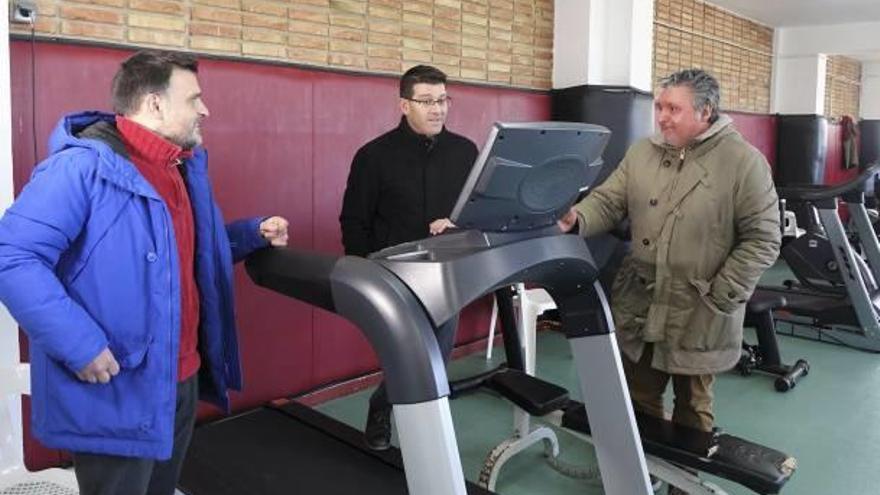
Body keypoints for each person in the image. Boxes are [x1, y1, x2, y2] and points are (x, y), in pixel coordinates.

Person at [0, 50, 288, 495]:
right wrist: (79, 344)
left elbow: (184, 256)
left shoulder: (181, 168)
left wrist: (251, 234)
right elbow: (12, 257)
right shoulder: (80, 167)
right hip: (115, 388)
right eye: (194, 99)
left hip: (181, 379)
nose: (205, 109)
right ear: (154, 104)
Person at [559, 69, 780, 490]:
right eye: (659, 106)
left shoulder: (744, 162)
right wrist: (578, 217)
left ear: (705, 111)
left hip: (701, 307)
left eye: (673, 109)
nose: (661, 117)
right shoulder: (643, 152)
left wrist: (720, 296)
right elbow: (609, 200)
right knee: (640, 395)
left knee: (693, 406)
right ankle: (645, 473)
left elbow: (764, 238)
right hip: (642, 300)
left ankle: (685, 482)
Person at [339, 64, 478, 450]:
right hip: (391, 275)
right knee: (408, 355)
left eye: (443, 100)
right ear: (404, 105)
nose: (438, 109)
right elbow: (354, 220)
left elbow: (475, 212)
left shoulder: (466, 152)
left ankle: (390, 408)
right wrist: (361, 278)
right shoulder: (372, 156)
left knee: (435, 356)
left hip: (446, 274)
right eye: (427, 101)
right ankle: (386, 413)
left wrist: (456, 225)